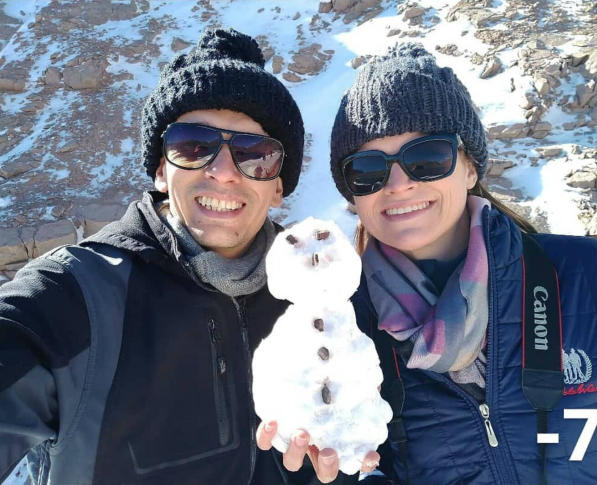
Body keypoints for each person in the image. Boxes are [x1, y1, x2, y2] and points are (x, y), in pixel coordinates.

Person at [0, 27, 353, 485]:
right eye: (193, 146)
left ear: (279, 186)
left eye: (255, 154)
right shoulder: (76, 296)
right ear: (161, 170)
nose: (224, 172)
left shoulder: (321, 292)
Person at [328, 44, 597, 485]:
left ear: (470, 167)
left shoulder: (594, 276)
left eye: (426, 157)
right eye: (368, 169)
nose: (398, 184)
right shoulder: (342, 325)